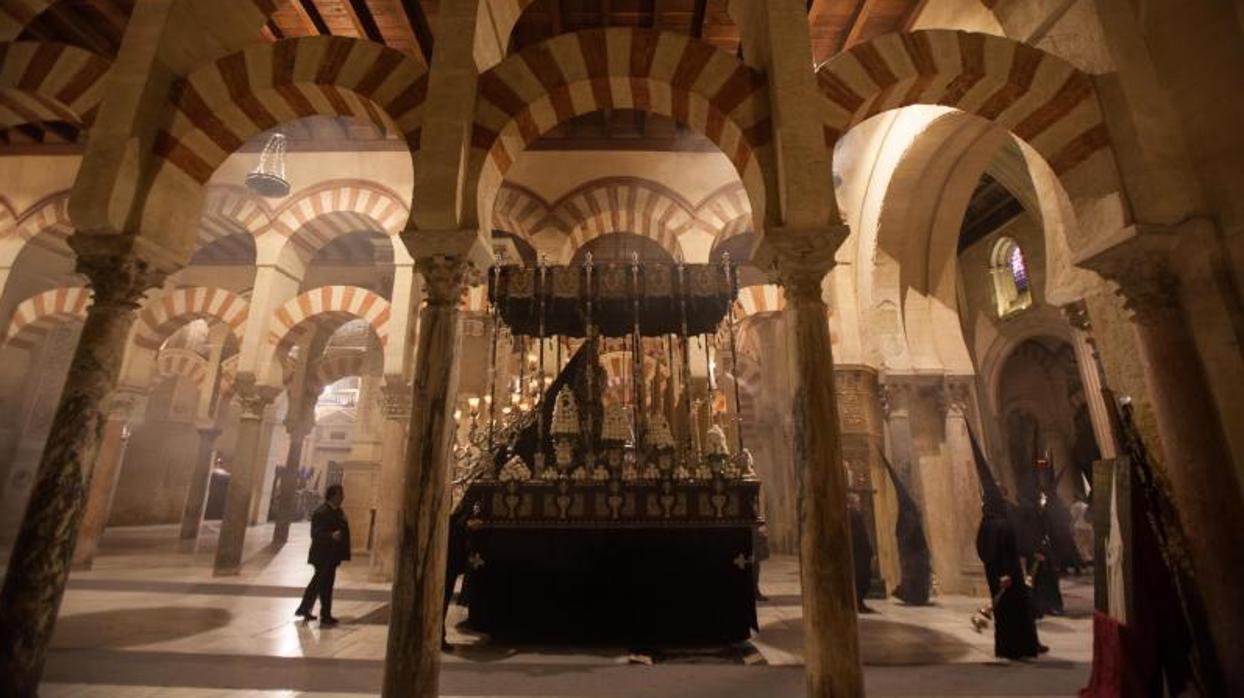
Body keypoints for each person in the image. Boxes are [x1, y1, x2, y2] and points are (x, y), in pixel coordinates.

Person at [976, 496, 1046, 660]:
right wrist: (1006, 574)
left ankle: (1005, 649)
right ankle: (1021, 648)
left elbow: (983, 551)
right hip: (1010, 577)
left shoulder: (984, 526)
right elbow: (1009, 552)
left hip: (994, 576)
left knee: (1002, 614)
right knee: (1018, 612)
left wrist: (995, 573)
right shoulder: (1003, 525)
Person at [295, 484, 351, 627]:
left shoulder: (338, 511)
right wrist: (331, 535)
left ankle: (307, 609)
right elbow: (315, 534)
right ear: (333, 496)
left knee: (321, 584)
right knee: (323, 585)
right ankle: (323, 614)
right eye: (340, 494)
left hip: (331, 555)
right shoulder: (321, 512)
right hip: (322, 556)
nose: (342, 497)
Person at [847, 493, 875, 613]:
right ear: (852, 502)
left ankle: (857, 602)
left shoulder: (848, 515)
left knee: (858, 579)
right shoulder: (855, 515)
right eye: (857, 502)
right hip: (860, 553)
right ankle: (859, 603)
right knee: (863, 578)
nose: (859, 504)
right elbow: (862, 536)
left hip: (855, 553)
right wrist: (870, 551)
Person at [751, 523, 770, 601]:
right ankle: (756, 593)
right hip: (752, 555)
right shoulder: (754, 528)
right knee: (754, 575)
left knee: (755, 575)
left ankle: (756, 593)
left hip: (754, 555)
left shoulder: (756, 528)